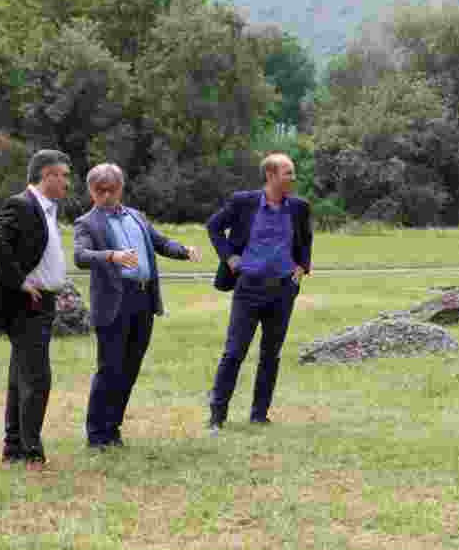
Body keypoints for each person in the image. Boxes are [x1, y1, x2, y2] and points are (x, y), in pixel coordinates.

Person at [73, 163, 202, 449]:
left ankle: (113, 429)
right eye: (100, 191)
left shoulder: (137, 216)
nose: (106, 196)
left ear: (121, 189)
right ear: (91, 191)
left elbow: (160, 242)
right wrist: (112, 256)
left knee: (130, 367)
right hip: (113, 303)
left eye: (112, 190)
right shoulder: (87, 223)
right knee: (110, 369)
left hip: (143, 300)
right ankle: (97, 435)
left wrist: (184, 251)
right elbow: (80, 256)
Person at [205, 153, 313, 433]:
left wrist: (301, 268)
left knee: (271, 354)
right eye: (288, 173)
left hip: (283, 290)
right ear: (271, 175)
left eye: (293, 172)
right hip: (248, 288)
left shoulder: (299, 208)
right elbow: (214, 226)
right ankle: (217, 416)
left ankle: (259, 414)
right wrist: (230, 258)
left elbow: (306, 240)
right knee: (234, 352)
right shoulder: (244, 202)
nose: (293, 178)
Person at [0, 150, 72, 471]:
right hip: (27, 304)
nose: (67, 182)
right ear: (47, 175)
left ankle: (14, 448)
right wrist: (20, 282)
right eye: (63, 175)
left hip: (42, 302)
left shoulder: (45, 209)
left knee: (21, 379)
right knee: (37, 379)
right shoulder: (23, 204)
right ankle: (30, 452)